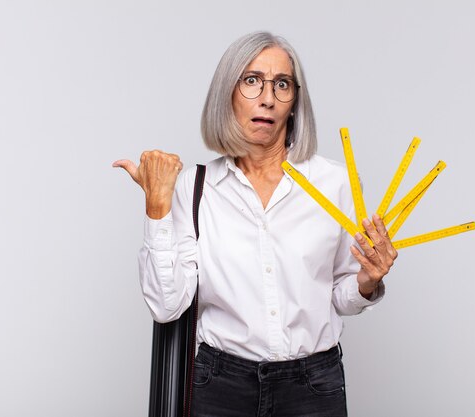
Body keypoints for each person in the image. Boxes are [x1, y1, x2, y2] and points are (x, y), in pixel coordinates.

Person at [113, 31, 398, 417]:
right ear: (227, 94)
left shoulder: (336, 183)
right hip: (220, 386)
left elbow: (338, 297)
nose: (267, 97)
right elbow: (166, 306)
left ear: (295, 101)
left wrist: (367, 282)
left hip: (313, 387)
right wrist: (157, 204)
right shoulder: (194, 189)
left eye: (282, 84)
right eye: (252, 81)